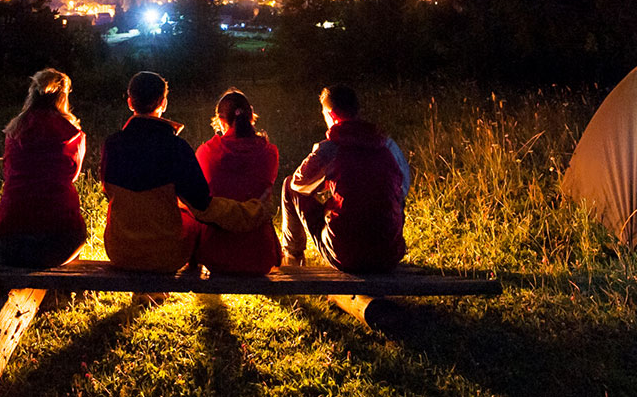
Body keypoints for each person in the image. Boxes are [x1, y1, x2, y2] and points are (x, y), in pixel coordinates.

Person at [101, 71, 265, 273]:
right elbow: (203, 206)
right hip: (166, 255)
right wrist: (252, 212)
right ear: (163, 103)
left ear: (130, 102)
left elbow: (109, 191)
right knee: (193, 222)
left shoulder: (111, 145)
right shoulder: (176, 147)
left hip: (119, 252)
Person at [280, 85, 411, 273]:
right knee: (397, 199)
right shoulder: (388, 146)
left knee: (288, 185)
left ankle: (293, 259)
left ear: (331, 114)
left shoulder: (330, 149)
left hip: (347, 255)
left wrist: (324, 183)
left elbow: (298, 183)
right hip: (388, 256)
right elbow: (402, 189)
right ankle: (385, 245)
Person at [0, 69, 88, 268]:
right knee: (74, 232)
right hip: (59, 242)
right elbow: (72, 175)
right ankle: (63, 285)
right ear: (63, 97)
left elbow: (8, 172)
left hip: (6, 240)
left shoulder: (14, 132)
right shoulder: (73, 134)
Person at [192, 89, 281, 275]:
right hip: (260, 255)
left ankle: (192, 263)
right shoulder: (269, 152)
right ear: (251, 116)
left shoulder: (207, 152)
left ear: (221, 120)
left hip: (217, 254)